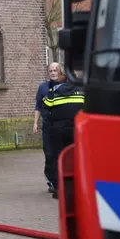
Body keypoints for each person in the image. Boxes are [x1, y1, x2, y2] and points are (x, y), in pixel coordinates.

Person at [43, 64, 85, 200]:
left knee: (57, 158)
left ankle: (59, 188)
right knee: (76, 157)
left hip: (57, 130)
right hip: (75, 129)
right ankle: (77, 186)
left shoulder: (55, 91)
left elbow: (46, 105)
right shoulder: (81, 91)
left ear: (63, 76)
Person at [34, 62, 60, 193]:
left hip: (60, 125)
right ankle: (50, 178)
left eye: (55, 70)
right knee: (49, 153)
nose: (53, 73)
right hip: (47, 126)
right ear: (48, 73)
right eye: (51, 71)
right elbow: (38, 106)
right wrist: (35, 123)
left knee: (59, 153)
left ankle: (58, 181)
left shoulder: (65, 87)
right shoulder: (43, 88)